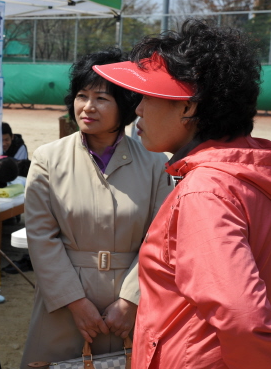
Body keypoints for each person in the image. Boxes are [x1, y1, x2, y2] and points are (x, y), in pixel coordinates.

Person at [93, 19, 271, 369]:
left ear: (189, 107)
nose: (138, 109)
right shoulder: (248, 172)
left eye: (148, 96)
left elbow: (243, 318)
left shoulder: (205, 191)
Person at [21, 48, 173, 367]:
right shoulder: (48, 159)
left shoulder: (155, 163)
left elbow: (161, 241)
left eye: (102, 98)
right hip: (62, 308)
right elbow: (41, 238)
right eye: (81, 95)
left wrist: (131, 300)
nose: (88, 107)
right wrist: (75, 303)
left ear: (126, 106)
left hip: (134, 308)